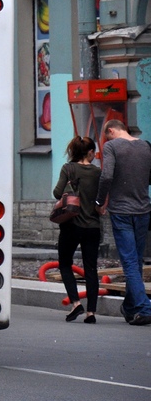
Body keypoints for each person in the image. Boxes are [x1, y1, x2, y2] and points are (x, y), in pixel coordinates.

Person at [96, 119, 151, 326]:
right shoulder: (145, 145)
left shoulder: (112, 146)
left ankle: (145, 308)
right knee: (136, 261)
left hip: (121, 211)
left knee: (129, 262)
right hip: (144, 209)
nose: (106, 140)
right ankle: (130, 307)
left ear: (111, 130)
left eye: (106, 135)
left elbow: (106, 175)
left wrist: (100, 201)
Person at [53, 136, 101, 323]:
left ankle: (75, 303)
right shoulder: (97, 172)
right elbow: (101, 196)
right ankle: (91, 313)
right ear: (90, 152)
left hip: (71, 226)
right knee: (91, 268)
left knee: (65, 264)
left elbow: (57, 193)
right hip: (93, 227)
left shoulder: (68, 168)